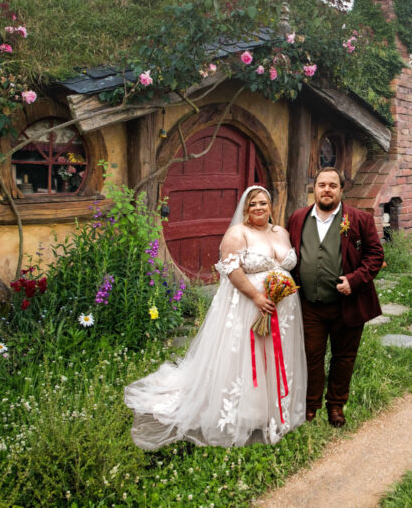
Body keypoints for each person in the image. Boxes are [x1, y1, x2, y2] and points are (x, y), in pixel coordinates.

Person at [124, 185, 307, 449]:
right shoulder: (237, 233)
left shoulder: (281, 232)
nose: (258, 208)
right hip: (249, 306)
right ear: (245, 208)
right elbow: (232, 270)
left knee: (274, 356)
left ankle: (273, 410)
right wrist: (256, 297)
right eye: (253, 204)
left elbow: (286, 264)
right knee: (249, 356)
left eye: (263, 203)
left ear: (271, 206)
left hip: (283, 310)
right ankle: (248, 413)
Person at [287, 167, 384, 428]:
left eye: (332, 185)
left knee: (344, 357)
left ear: (342, 190)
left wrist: (354, 280)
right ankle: (310, 404)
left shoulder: (359, 219)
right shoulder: (297, 218)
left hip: (348, 304)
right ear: (314, 188)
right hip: (309, 304)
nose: (326, 189)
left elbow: (375, 255)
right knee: (311, 355)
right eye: (321, 185)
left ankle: (336, 405)